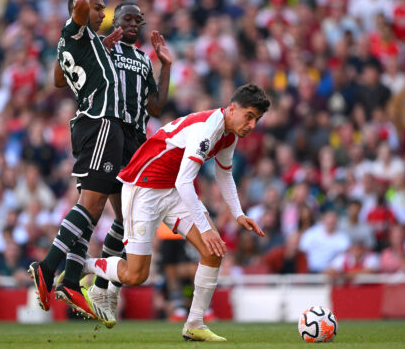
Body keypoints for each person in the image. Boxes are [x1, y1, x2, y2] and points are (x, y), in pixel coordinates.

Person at [79, 84, 269, 341]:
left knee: (213, 252)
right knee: (136, 275)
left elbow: (224, 174)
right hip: (143, 187)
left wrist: (238, 214)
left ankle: (194, 324)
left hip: (172, 189)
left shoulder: (228, 134)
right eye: (249, 116)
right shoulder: (208, 129)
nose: (252, 124)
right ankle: (83, 265)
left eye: (257, 120)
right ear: (232, 109)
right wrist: (205, 228)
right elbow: (184, 182)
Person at [28, 0, 126, 318]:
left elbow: (58, 79)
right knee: (89, 205)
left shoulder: (73, 41)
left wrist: (101, 47)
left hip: (94, 126)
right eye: (99, 8)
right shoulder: (76, 26)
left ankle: (70, 280)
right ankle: (49, 267)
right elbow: (81, 4)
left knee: (95, 207)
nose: (102, 13)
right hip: (100, 123)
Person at [86, 2, 172, 327]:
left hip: (138, 140)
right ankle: (94, 280)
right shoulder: (104, 49)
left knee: (128, 219)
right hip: (112, 132)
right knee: (122, 215)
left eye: (138, 20)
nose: (133, 24)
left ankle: (101, 285)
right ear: (115, 20)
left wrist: (166, 66)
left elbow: (157, 104)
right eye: (127, 18)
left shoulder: (143, 60)